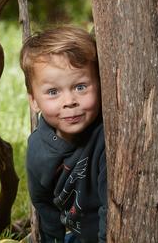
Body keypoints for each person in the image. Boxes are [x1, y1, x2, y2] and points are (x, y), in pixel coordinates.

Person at [20, 25, 106, 243]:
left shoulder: (107, 137)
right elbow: (44, 207)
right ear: (33, 100)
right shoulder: (38, 148)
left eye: (80, 87)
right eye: (53, 92)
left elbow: (112, 207)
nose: (69, 102)